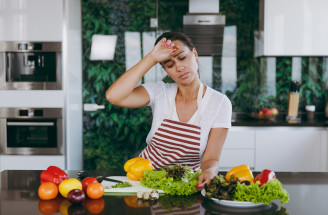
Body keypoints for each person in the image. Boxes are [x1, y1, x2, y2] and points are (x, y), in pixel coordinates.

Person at [106, 32, 232, 189]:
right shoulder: (160, 92)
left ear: (194, 54)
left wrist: (210, 171)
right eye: (169, 65)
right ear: (166, 70)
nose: (179, 67)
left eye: (182, 57)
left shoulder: (219, 103)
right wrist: (151, 58)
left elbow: (211, 158)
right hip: (144, 180)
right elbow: (114, 96)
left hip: (185, 185)